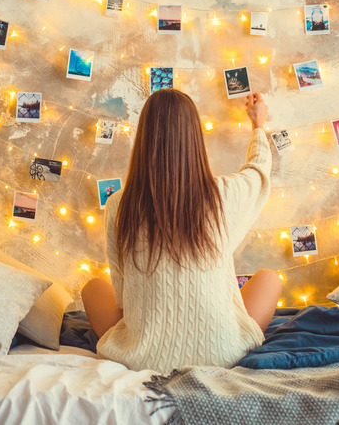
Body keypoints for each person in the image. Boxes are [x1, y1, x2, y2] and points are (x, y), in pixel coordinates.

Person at [81, 89, 282, 374]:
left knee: (92, 288)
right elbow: (258, 171)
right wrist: (257, 122)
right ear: (194, 138)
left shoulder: (119, 204)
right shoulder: (224, 194)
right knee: (269, 279)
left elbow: (124, 298)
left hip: (143, 356)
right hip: (222, 352)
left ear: (144, 139)